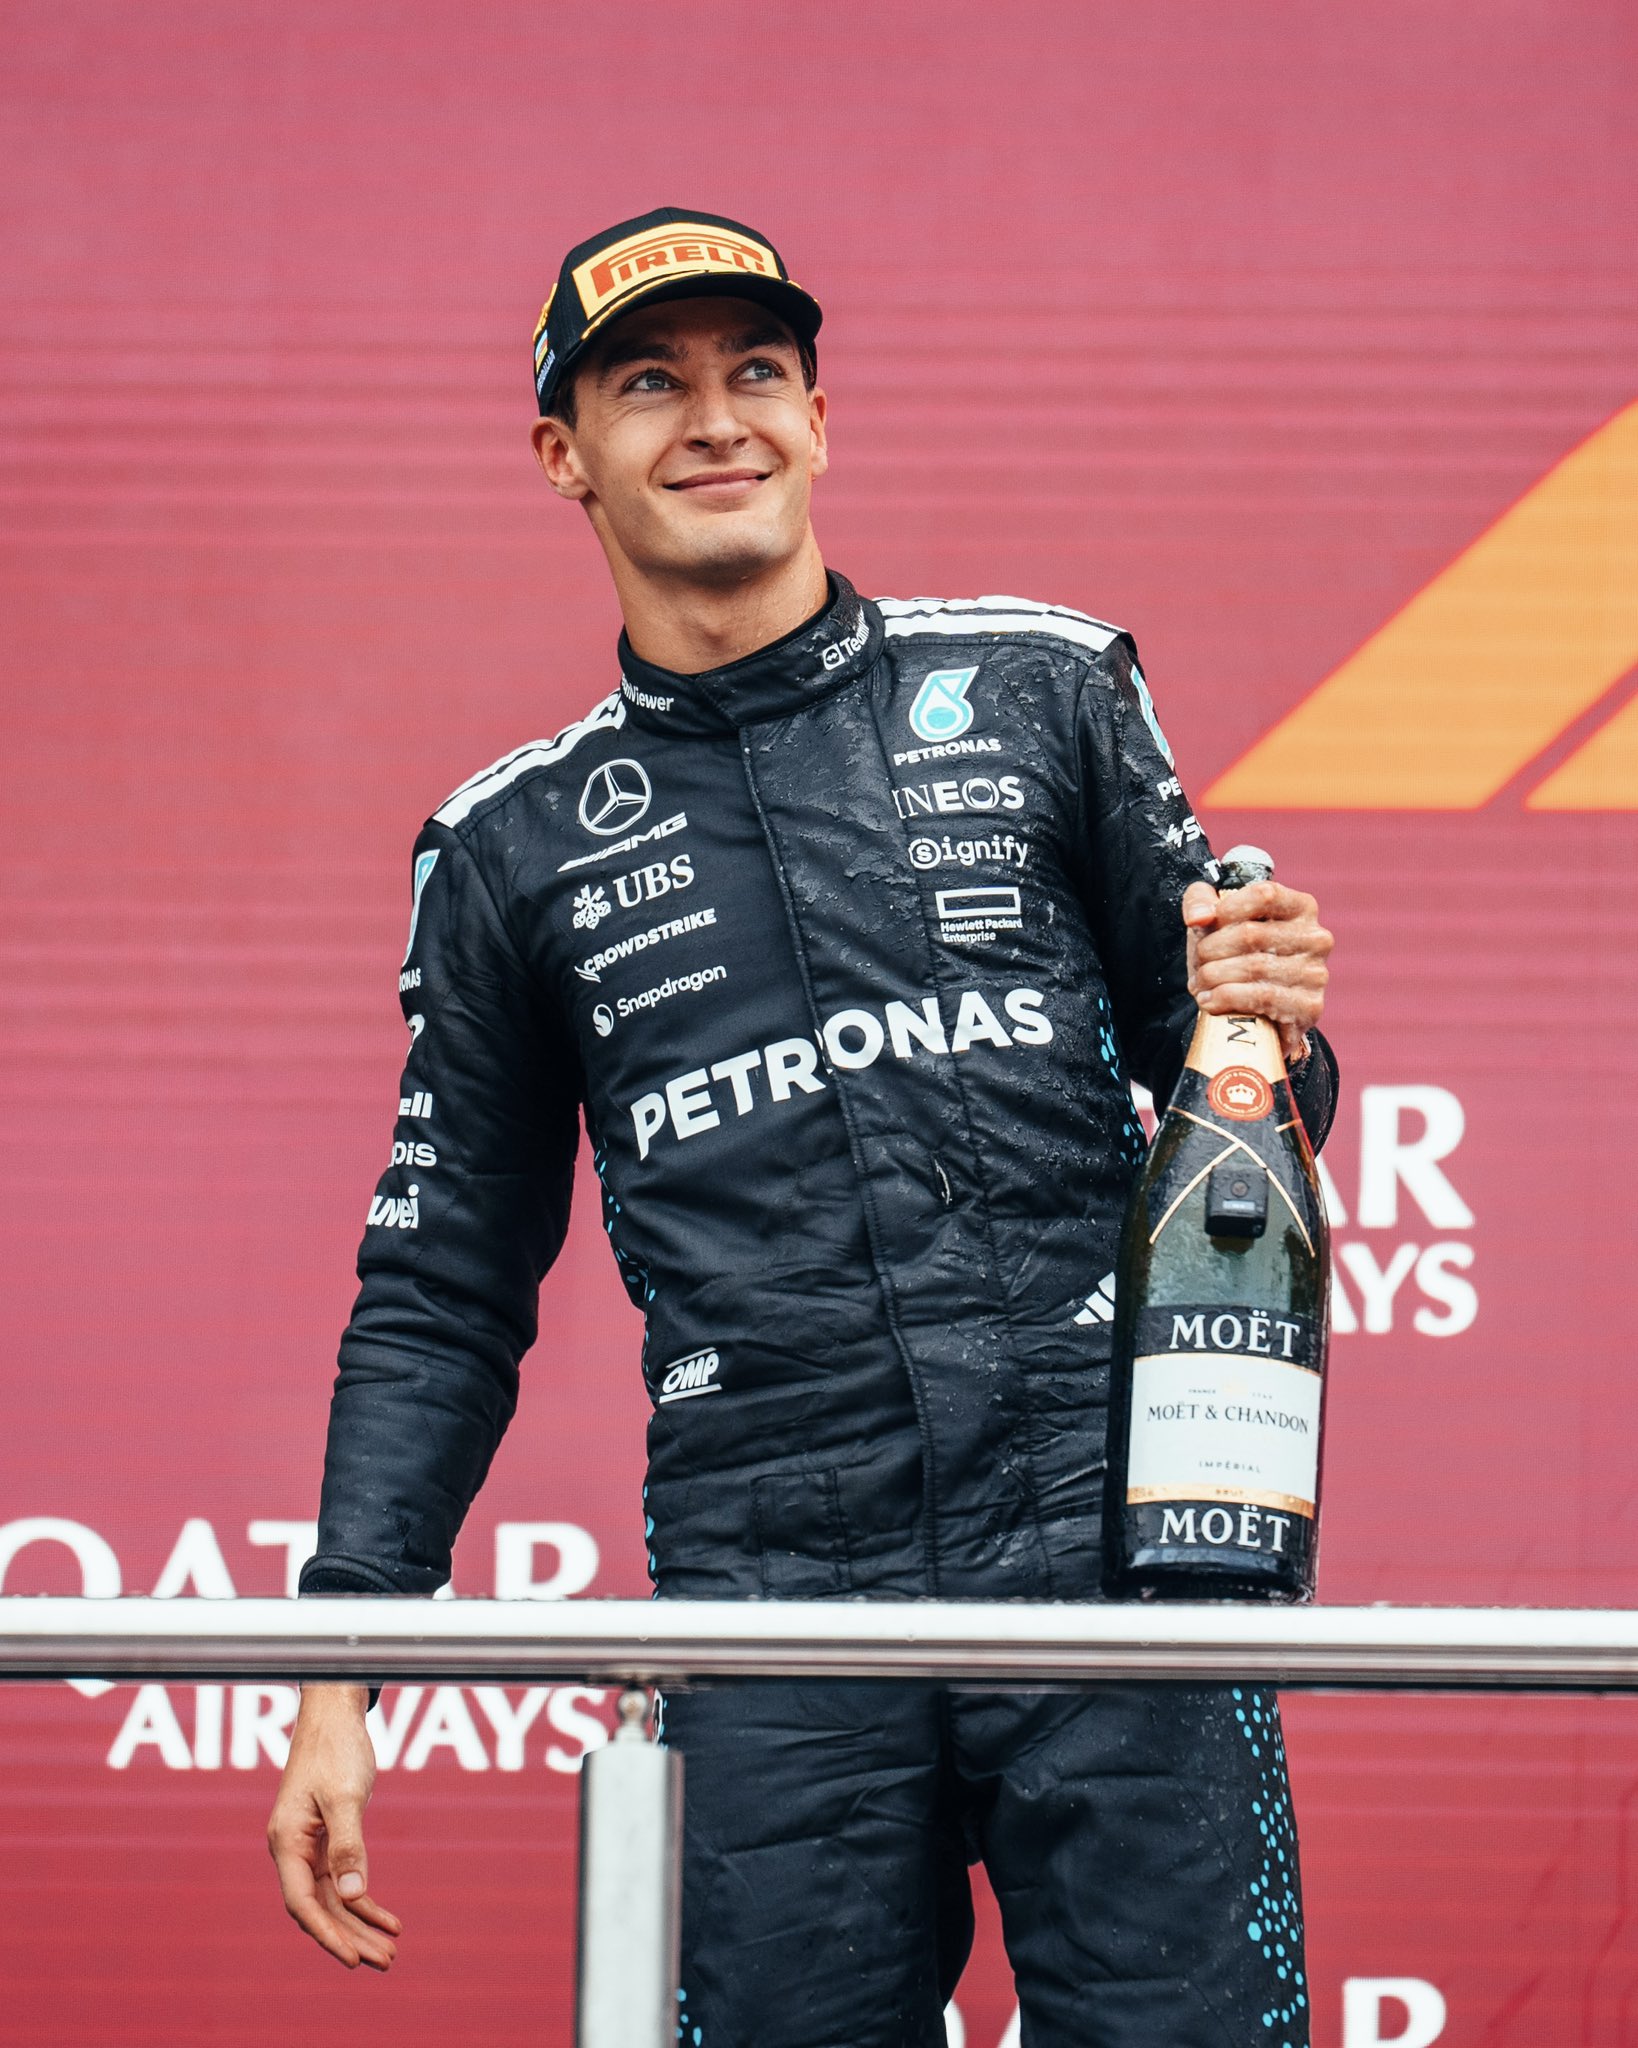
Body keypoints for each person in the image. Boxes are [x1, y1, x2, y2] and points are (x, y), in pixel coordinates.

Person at [267, 207, 1334, 2046]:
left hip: (1113, 1546)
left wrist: (1275, 1016)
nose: (715, 421)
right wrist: (335, 1662)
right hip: (770, 1584)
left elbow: (1252, 1109)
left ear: (819, 420)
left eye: (754, 372)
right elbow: (442, 1289)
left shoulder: (1047, 687)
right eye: (647, 385)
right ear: (562, 454)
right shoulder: (511, 848)